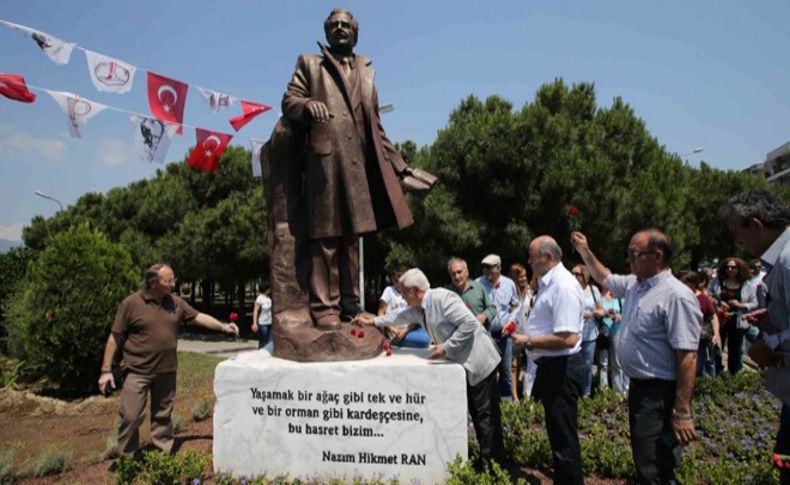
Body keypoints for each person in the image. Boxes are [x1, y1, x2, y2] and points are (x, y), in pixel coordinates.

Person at [280, 8, 433, 329]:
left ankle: (350, 304)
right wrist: (307, 105)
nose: (339, 28)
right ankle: (324, 308)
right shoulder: (310, 64)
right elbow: (289, 100)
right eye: (334, 24)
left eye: (345, 25)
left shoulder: (365, 71)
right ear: (326, 31)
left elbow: (375, 128)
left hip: (357, 168)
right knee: (325, 239)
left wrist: (402, 171)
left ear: (355, 32)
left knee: (350, 239)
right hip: (324, 165)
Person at [571, 229, 701, 484]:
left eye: (634, 254)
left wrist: (682, 411)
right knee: (645, 460)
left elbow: (688, 357)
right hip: (641, 390)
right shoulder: (635, 284)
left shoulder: (676, 296)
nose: (628, 260)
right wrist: (584, 251)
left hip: (660, 393)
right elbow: (604, 277)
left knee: (655, 466)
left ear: (658, 256)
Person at [355, 268, 505, 470]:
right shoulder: (419, 309)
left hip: (479, 361)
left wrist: (446, 347)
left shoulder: (442, 299)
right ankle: (489, 463)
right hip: (467, 364)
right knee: (478, 415)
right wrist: (372, 320)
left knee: (485, 416)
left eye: (404, 292)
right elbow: (398, 317)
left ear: (416, 291)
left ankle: (494, 469)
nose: (402, 296)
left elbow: (470, 324)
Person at [98, 264, 239, 456]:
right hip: (137, 370)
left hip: (166, 370)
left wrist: (223, 327)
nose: (174, 283)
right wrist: (106, 371)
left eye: (174, 279)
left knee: (162, 416)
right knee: (131, 416)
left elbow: (198, 317)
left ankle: (163, 454)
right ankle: (127, 460)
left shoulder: (175, 302)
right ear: (154, 283)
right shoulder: (131, 303)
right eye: (169, 280)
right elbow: (114, 337)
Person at [724, 189, 790, 480]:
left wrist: (771, 345)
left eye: (741, 237)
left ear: (757, 225)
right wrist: (774, 318)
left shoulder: (788, 260)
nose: (742, 246)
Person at [511, 236, 585, 484]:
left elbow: (567, 338)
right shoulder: (548, 284)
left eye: (532, 257)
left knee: (564, 438)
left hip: (561, 370)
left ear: (548, 257)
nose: (529, 261)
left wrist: (528, 342)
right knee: (558, 435)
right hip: (551, 368)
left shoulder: (563, 286)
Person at [476, 254, 520, 400]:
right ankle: (488, 402)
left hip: (504, 334)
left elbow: (515, 306)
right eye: (484, 267)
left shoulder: (509, 284)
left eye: (490, 267)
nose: (486, 270)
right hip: (485, 334)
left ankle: (506, 404)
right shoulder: (477, 284)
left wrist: (511, 322)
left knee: (506, 371)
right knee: (487, 371)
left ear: (499, 268)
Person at [708, 257, 757, 374]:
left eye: (733, 267)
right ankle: (717, 374)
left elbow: (754, 303)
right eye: (727, 267)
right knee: (717, 349)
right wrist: (719, 302)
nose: (730, 269)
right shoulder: (717, 282)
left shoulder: (747, 285)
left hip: (738, 321)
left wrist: (740, 305)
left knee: (736, 351)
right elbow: (708, 295)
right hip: (720, 320)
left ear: (739, 269)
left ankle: (734, 376)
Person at [679, 271, 720, 378]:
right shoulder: (679, 296)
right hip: (684, 337)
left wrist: (716, 333)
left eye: (686, 283)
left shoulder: (703, 298)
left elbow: (713, 316)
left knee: (702, 365)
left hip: (701, 338)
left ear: (694, 283)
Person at [573, 264, 605, 396]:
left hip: (590, 334)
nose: (574, 276)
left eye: (577, 274)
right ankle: (574, 393)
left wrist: (594, 313)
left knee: (587, 365)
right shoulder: (570, 289)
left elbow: (602, 310)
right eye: (572, 274)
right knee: (574, 366)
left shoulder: (593, 290)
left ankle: (586, 393)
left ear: (584, 275)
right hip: (574, 334)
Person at [378, 263, 429, 347]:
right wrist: (390, 327)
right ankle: (395, 341)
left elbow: (417, 314)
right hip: (395, 330)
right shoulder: (389, 291)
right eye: (395, 279)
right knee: (424, 340)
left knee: (427, 336)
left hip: (410, 328)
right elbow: (381, 312)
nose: (397, 282)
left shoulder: (411, 292)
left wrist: (406, 330)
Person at [510, 263, 536, 400]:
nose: (523, 279)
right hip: (515, 333)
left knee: (529, 365)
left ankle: (526, 393)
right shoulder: (512, 294)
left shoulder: (531, 292)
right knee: (514, 364)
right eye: (520, 277)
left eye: (525, 276)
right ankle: (514, 395)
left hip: (528, 332)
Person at [446, 257, 496, 328]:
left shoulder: (478, 288)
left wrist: (484, 315)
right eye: (453, 274)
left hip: (480, 335)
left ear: (467, 272)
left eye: (459, 272)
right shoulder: (447, 293)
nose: (456, 276)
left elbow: (492, 307)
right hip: (458, 336)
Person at [600, 285, 628, 394]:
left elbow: (627, 312)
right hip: (603, 332)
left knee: (617, 362)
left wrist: (620, 316)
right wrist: (607, 314)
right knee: (603, 363)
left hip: (617, 331)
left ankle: (618, 392)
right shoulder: (599, 296)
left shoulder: (618, 296)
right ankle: (604, 392)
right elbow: (598, 311)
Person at [252, 283, 272, 349]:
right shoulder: (259, 298)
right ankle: (260, 354)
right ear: (267, 289)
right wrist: (255, 323)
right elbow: (255, 312)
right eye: (269, 288)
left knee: (269, 341)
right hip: (263, 323)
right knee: (263, 341)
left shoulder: (269, 297)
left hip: (270, 322)